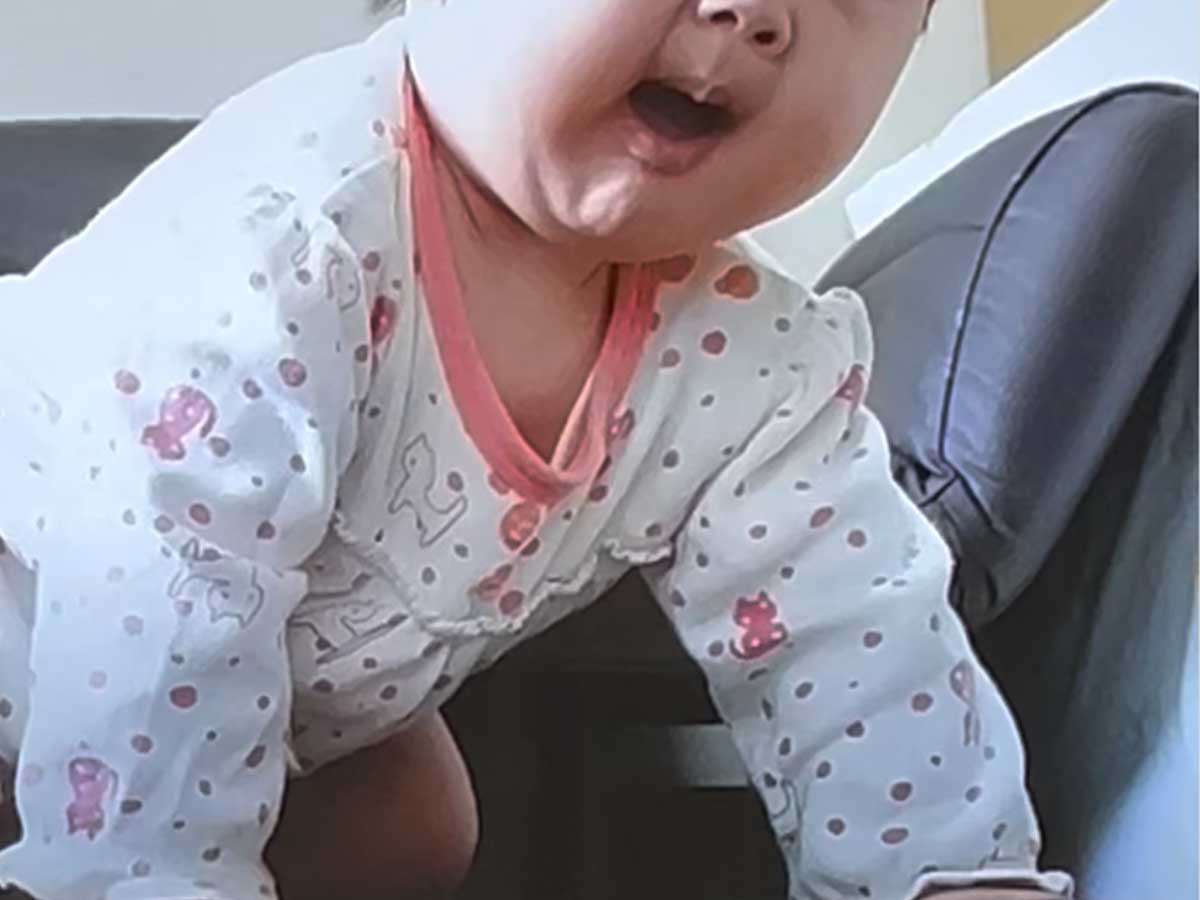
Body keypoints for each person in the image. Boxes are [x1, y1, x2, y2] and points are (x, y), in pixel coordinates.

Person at [0, 2, 1076, 899]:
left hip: (282, 704)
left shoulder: (755, 364)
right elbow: (169, 589)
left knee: (414, 821)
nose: (750, 14)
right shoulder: (282, 240)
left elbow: (856, 639)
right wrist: (145, 871)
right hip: (54, 596)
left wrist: (948, 871)